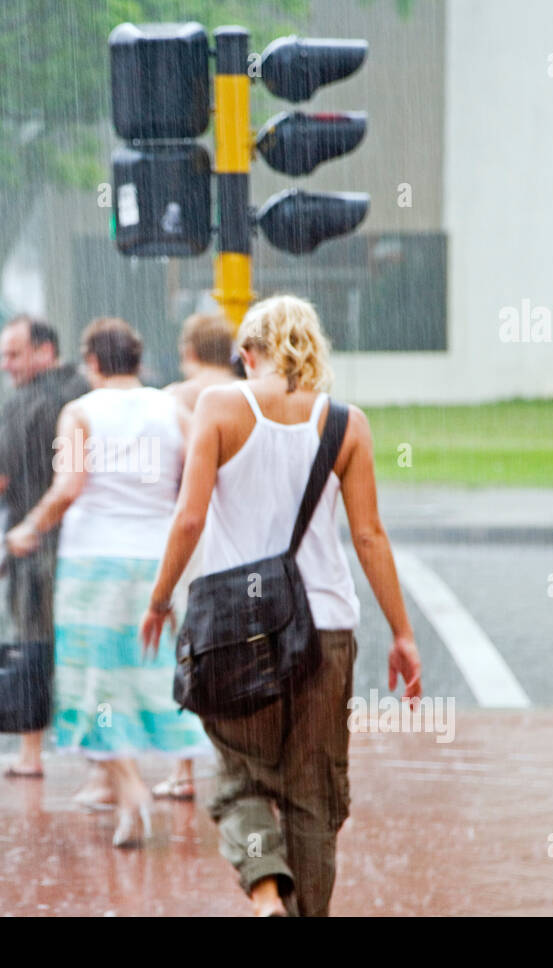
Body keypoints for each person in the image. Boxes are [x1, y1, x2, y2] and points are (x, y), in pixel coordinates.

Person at [141, 294, 423, 916]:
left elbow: (188, 519)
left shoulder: (220, 405)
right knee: (313, 794)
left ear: (247, 354)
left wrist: (160, 599)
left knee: (241, 774)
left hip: (235, 631)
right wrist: (403, 633)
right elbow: (370, 535)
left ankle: (267, 889)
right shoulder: (348, 423)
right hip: (325, 629)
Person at [7, 318, 208, 847]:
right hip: (155, 560)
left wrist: (30, 526)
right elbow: (198, 478)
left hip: (93, 562)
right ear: (138, 360)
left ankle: (131, 788)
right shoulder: (173, 409)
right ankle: (142, 785)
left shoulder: (81, 412)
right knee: (148, 672)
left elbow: (69, 485)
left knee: (93, 680)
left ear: (92, 362)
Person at [0, 315, 90, 779]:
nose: (5, 365)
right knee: (86, 648)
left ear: (45, 351)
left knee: (34, 646)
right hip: (89, 545)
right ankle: (99, 763)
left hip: (38, 543)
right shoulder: (87, 391)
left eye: (14, 354)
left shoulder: (25, 402)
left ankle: (31, 756)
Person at [149, 311, 240, 802]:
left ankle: (183, 768)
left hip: (194, 531)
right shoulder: (251, 394)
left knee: (187, 641)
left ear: (188, 351)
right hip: (244, 531)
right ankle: (237, 755)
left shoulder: (173, 400)